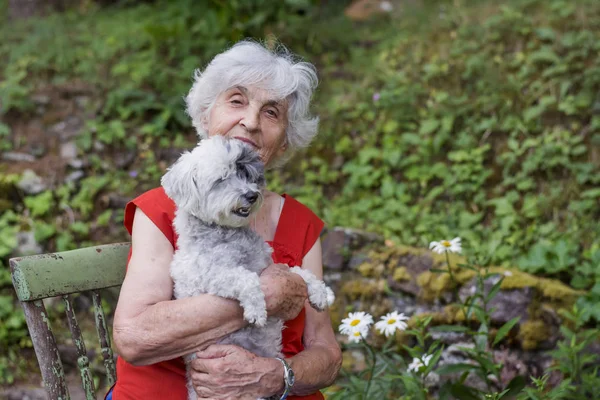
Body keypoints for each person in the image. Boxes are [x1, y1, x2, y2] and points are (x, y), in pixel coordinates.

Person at [109, 40, 342, 400]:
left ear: (283, 142)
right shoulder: (160, 209)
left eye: (271, 112)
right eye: (237, 100)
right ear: (206, 116)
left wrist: (276, 376)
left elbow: (327, 356)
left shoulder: (300, 223)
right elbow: (135, 337)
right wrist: (266, 293)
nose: (250, 122)